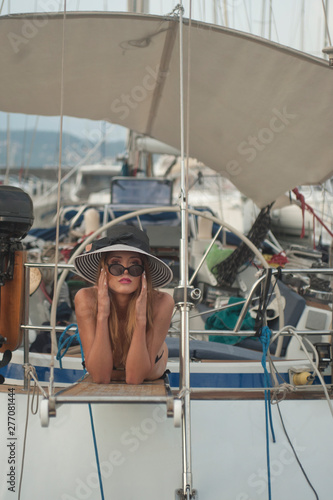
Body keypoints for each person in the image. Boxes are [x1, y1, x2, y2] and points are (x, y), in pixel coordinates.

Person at [74, 225, 174, 385]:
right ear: (104, 270)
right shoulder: (86, 299)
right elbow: (100, 377)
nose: (125, 271)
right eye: (116, 265)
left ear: (144, 272)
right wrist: (102, 315)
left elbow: (134, 378)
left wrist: (141, 319)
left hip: (146, 370)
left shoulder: (162, 302)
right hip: (111, 368)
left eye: (134, 265)